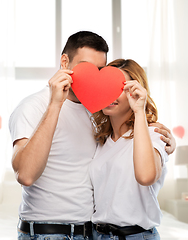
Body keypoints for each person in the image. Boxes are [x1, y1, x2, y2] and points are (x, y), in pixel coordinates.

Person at [9, 31, 175, 240]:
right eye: (84, 67)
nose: (92, 77)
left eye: (98, 70)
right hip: (49, 232)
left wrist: (161, 139)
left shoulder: (96, 113)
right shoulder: (32, 107)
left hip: (91, 232)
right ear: (64, 62)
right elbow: (25, 175)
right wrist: (55, 104)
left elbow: (141, 165)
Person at [90, 59, 167, 240]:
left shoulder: (154, 134)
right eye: (106, 86)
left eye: (120, 88)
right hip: (98, 235)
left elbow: (146, 176)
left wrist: (139, 111)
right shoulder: (101, 141)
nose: (111, 94)